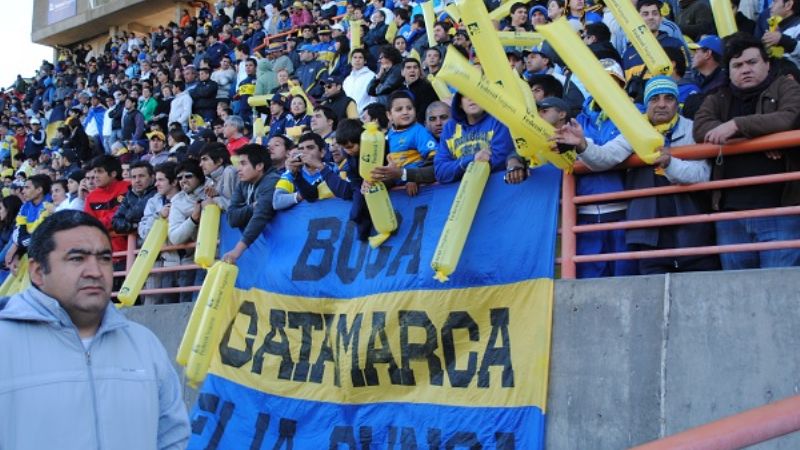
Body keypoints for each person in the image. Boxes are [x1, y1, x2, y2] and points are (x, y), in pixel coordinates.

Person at [0, 210, 190, 449]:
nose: (96, 271)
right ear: (38, 272)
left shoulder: (144, 343)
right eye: (77, 258)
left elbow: (172, 436)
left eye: (104, 259)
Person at [556, 76, 719, 274]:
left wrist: (670, 163)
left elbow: (702, 174)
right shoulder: (635, 130)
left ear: (677, 103)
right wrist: (582, 144)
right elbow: (606, 157)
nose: (661, 104)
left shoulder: (692, 129)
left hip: (693, 231)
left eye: (668, 98)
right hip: (649, 235)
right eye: (654, 99)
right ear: (646, 104)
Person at [693, 33, 800, 269]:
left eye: (752, 62)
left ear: (767, 64)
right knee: (735, 289)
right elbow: (700, 129)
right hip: (730, 215)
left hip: (781, 210)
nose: (745, 69)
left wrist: (736, 126)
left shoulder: (786, 86)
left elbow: (789, 118)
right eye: (738, 65)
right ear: (729, 71)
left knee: (778, 286)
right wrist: (761, 136)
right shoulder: (718, 96)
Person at [434, 94, 515, 184]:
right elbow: (440, 171)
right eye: (465, 95)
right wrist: (472, 160)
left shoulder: (499, 120)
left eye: (473, 93)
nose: (471, 98)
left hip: (498, 185)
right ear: (459, 103)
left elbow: (502, 159)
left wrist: (458, 167)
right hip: (461, 189)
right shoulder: (450, 128)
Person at [224, 143, 280, 265]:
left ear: (259, 166)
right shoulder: (243, 183)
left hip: (280, 247)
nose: (238, 169)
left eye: (243, 164)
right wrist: (252, 207)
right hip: (266, 253)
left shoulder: (272, 181)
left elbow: (261, 216)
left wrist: (237, 251)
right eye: (238, 164)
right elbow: (232, 218)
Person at [139, 162, 181, 305]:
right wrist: (159, 216)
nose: (156, 184)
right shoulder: (153, 201)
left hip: (186, 258)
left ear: (174, 182)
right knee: (152, 302)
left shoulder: (187, 198)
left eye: (161, 180)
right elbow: (143, 232)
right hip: (160, 259)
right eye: (156, 180)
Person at [167, 159, 207, 302]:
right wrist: (193, 219)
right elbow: (175, 237)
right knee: (187, 302)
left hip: (221, 255)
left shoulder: (214, 189)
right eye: (180, 178)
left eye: (188, 176)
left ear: (199, 176)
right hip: (193, 259)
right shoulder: (177, 201)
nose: (183, 180)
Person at [385, 91, 437, 196]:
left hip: (418, 186)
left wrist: (414, 178)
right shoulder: (389, 135)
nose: (405, 112)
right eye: (399, 109)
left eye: (409, 108)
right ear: (389, 115)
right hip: (397, 183)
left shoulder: (419, 131)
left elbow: (433, 160)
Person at [84, 155, 131, 258]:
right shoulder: (91, 197)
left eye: (100, 171)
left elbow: (125, 214)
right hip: (105, 254)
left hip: (132, 250)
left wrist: (101, 224)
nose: (95, 176)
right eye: (95, 172)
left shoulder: (128, 187)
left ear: (113, 173)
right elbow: (89, 226)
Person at [5, 174, 53, 269]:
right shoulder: (25, 207)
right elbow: (19, 230)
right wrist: (17, 252)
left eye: (27, 188)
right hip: (28, 250)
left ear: (39, 190)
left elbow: (38, 237)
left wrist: (17, 246)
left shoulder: (50, 206)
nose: (23, 191)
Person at [111, 161, 156, 240]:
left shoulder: (157, 194)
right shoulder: (129, 195)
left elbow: (133, 214)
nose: (137, 180)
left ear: (152, 177)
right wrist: (134, 226)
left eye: (141, 176)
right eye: (134, 177)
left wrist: (128, 216)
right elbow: (115, 222)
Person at [198, 142, 238, 211]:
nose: (200, 164)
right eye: (200, 161)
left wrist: (215, 199)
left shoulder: (230, 172)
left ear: (219, 161)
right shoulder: (209, 180)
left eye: (205, 159)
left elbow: (237, 207)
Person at [343, 48, 377, 113]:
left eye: (360, 57)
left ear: (365, 61)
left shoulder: (372, 76)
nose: (357, 60)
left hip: (364, 114)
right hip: (347, 114)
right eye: (355, 57)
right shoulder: (347, 79)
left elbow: (373, 98)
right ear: (351, 61)